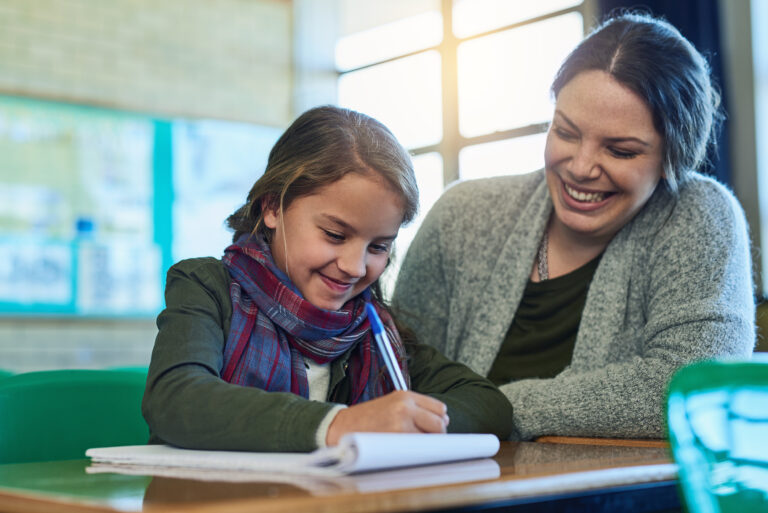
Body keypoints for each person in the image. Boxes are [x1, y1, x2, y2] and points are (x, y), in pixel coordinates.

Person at [392, 12, 755, 441]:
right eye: (565, 132)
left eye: (620, 151)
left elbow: (694, 386)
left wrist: (488, 409)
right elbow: (396, 375)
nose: (581, 168)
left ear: (673, 158)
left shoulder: (699, 214)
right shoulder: (462, 216)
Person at [142, 106, 513, 452]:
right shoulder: (207, 286)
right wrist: (341, 425)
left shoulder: (370, 329)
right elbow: (176, 398)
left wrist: (407, 421)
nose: (354, 267)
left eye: (379, 247)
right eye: (335, 235)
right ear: (273, 207)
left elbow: (488, 404)